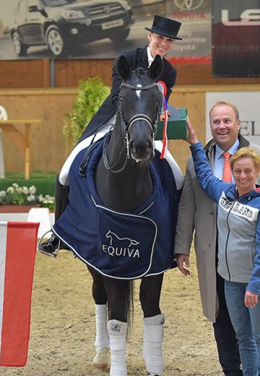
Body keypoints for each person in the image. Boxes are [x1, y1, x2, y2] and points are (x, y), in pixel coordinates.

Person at [39, 14, 182, 256]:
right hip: (114, 121)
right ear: (150, 36)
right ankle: (59, 234)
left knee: (177, 177)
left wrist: (163, 115)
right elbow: (118, 96)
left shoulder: (169, 71)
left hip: (145, 128)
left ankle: (174, 235)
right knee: (65, 172)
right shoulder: (127, 58)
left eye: (169, 41)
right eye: (160, 38)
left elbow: (161, 102)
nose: (164, 44)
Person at [173, 101, 260, 376]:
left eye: (227, 120)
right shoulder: (204, 170)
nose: (221, 126)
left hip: (249, 251)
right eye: (216, 121)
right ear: (211, 125)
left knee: (256, 325)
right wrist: (181, 246)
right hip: (214, 249)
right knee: (222, 314)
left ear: (238, 124)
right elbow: (191, 201)